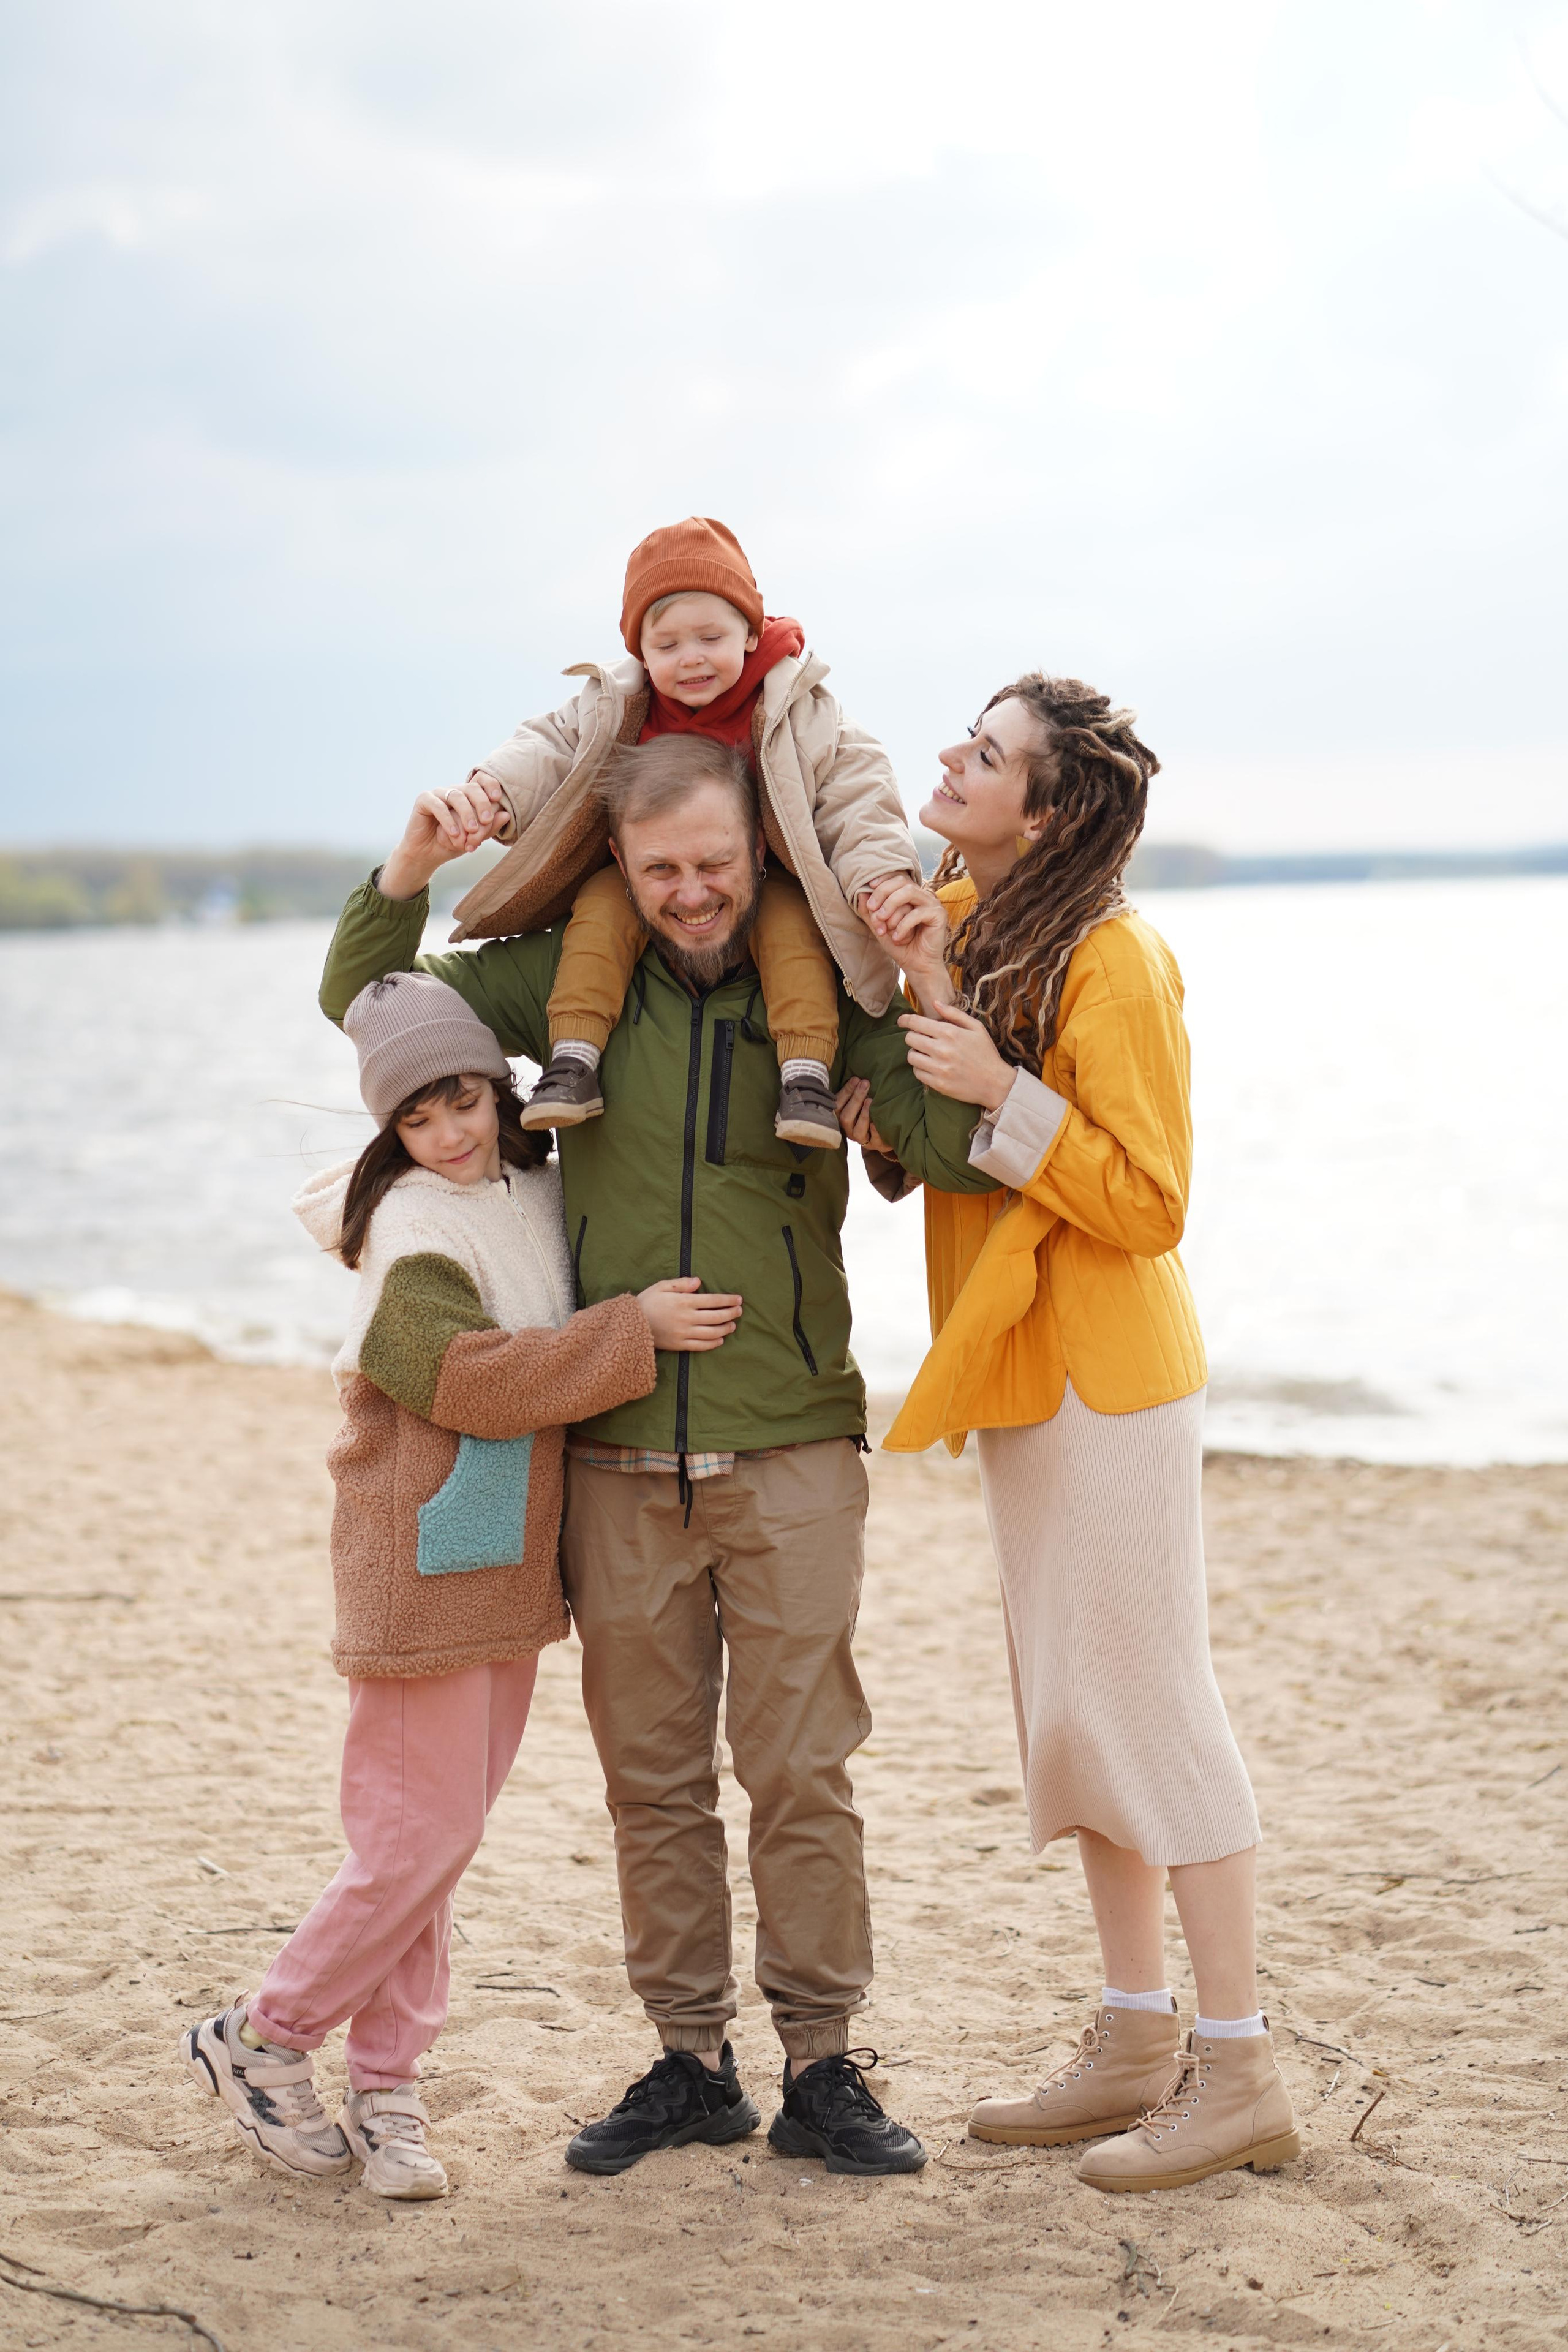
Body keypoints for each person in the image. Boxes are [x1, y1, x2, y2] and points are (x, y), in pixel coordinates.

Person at [316, 733, 995, 2178]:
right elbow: (370, 1006)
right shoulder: (571, 982)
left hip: (794, 1440)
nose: (690, 892)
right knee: (651, 1777)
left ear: (759, 851)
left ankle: (823, 2062)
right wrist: (405, 873)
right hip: (616, 1459)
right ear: (619, 869)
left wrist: (931, 990)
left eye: (715, 863)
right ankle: (689, 2061)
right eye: (659, 867)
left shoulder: (827, 992)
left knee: (803, 1767)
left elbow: (940, 1139)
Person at [846, 673, 1300, 2195]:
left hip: (1108, 1379)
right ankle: (1129, 2034)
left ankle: (1235, 2064)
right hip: (1015, 1375)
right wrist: (909, 1064)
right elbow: (941, 1150)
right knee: (1073, 1717)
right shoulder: (967, 925)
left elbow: (1149, 1198)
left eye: (982, 756)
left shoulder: (1116, 955)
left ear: (1046, 807)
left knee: (1156, 1711)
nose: (947, 764)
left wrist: (1000, 1089)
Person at [181, 972, 716, 2198]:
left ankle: (388, 2094)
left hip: (506, 1568)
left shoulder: (536, 1184)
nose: (451, 1132)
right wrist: (630, 1331)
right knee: (411, 1840)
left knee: (438, 1846)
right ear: (393, 1132)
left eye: (464, 1099)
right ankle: (261, 2037)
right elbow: (461, 1379)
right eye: (419, 1118)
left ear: (500, 1086)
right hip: (418, 1568)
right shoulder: (417, 1229)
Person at [433, 514, 925, 1151]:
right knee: (601, 908)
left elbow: (856, 794)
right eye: (666, 647)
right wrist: (494, 791)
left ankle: (804, 1074)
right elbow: (549, 747)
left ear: (750, 633)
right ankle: (574, 1057)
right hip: (652, 877)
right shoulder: (617, 701)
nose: (690, 659)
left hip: (763, 877)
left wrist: (877, 877)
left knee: (790, 928)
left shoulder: (795, 706)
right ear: (641, 651)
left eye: (710, 637)